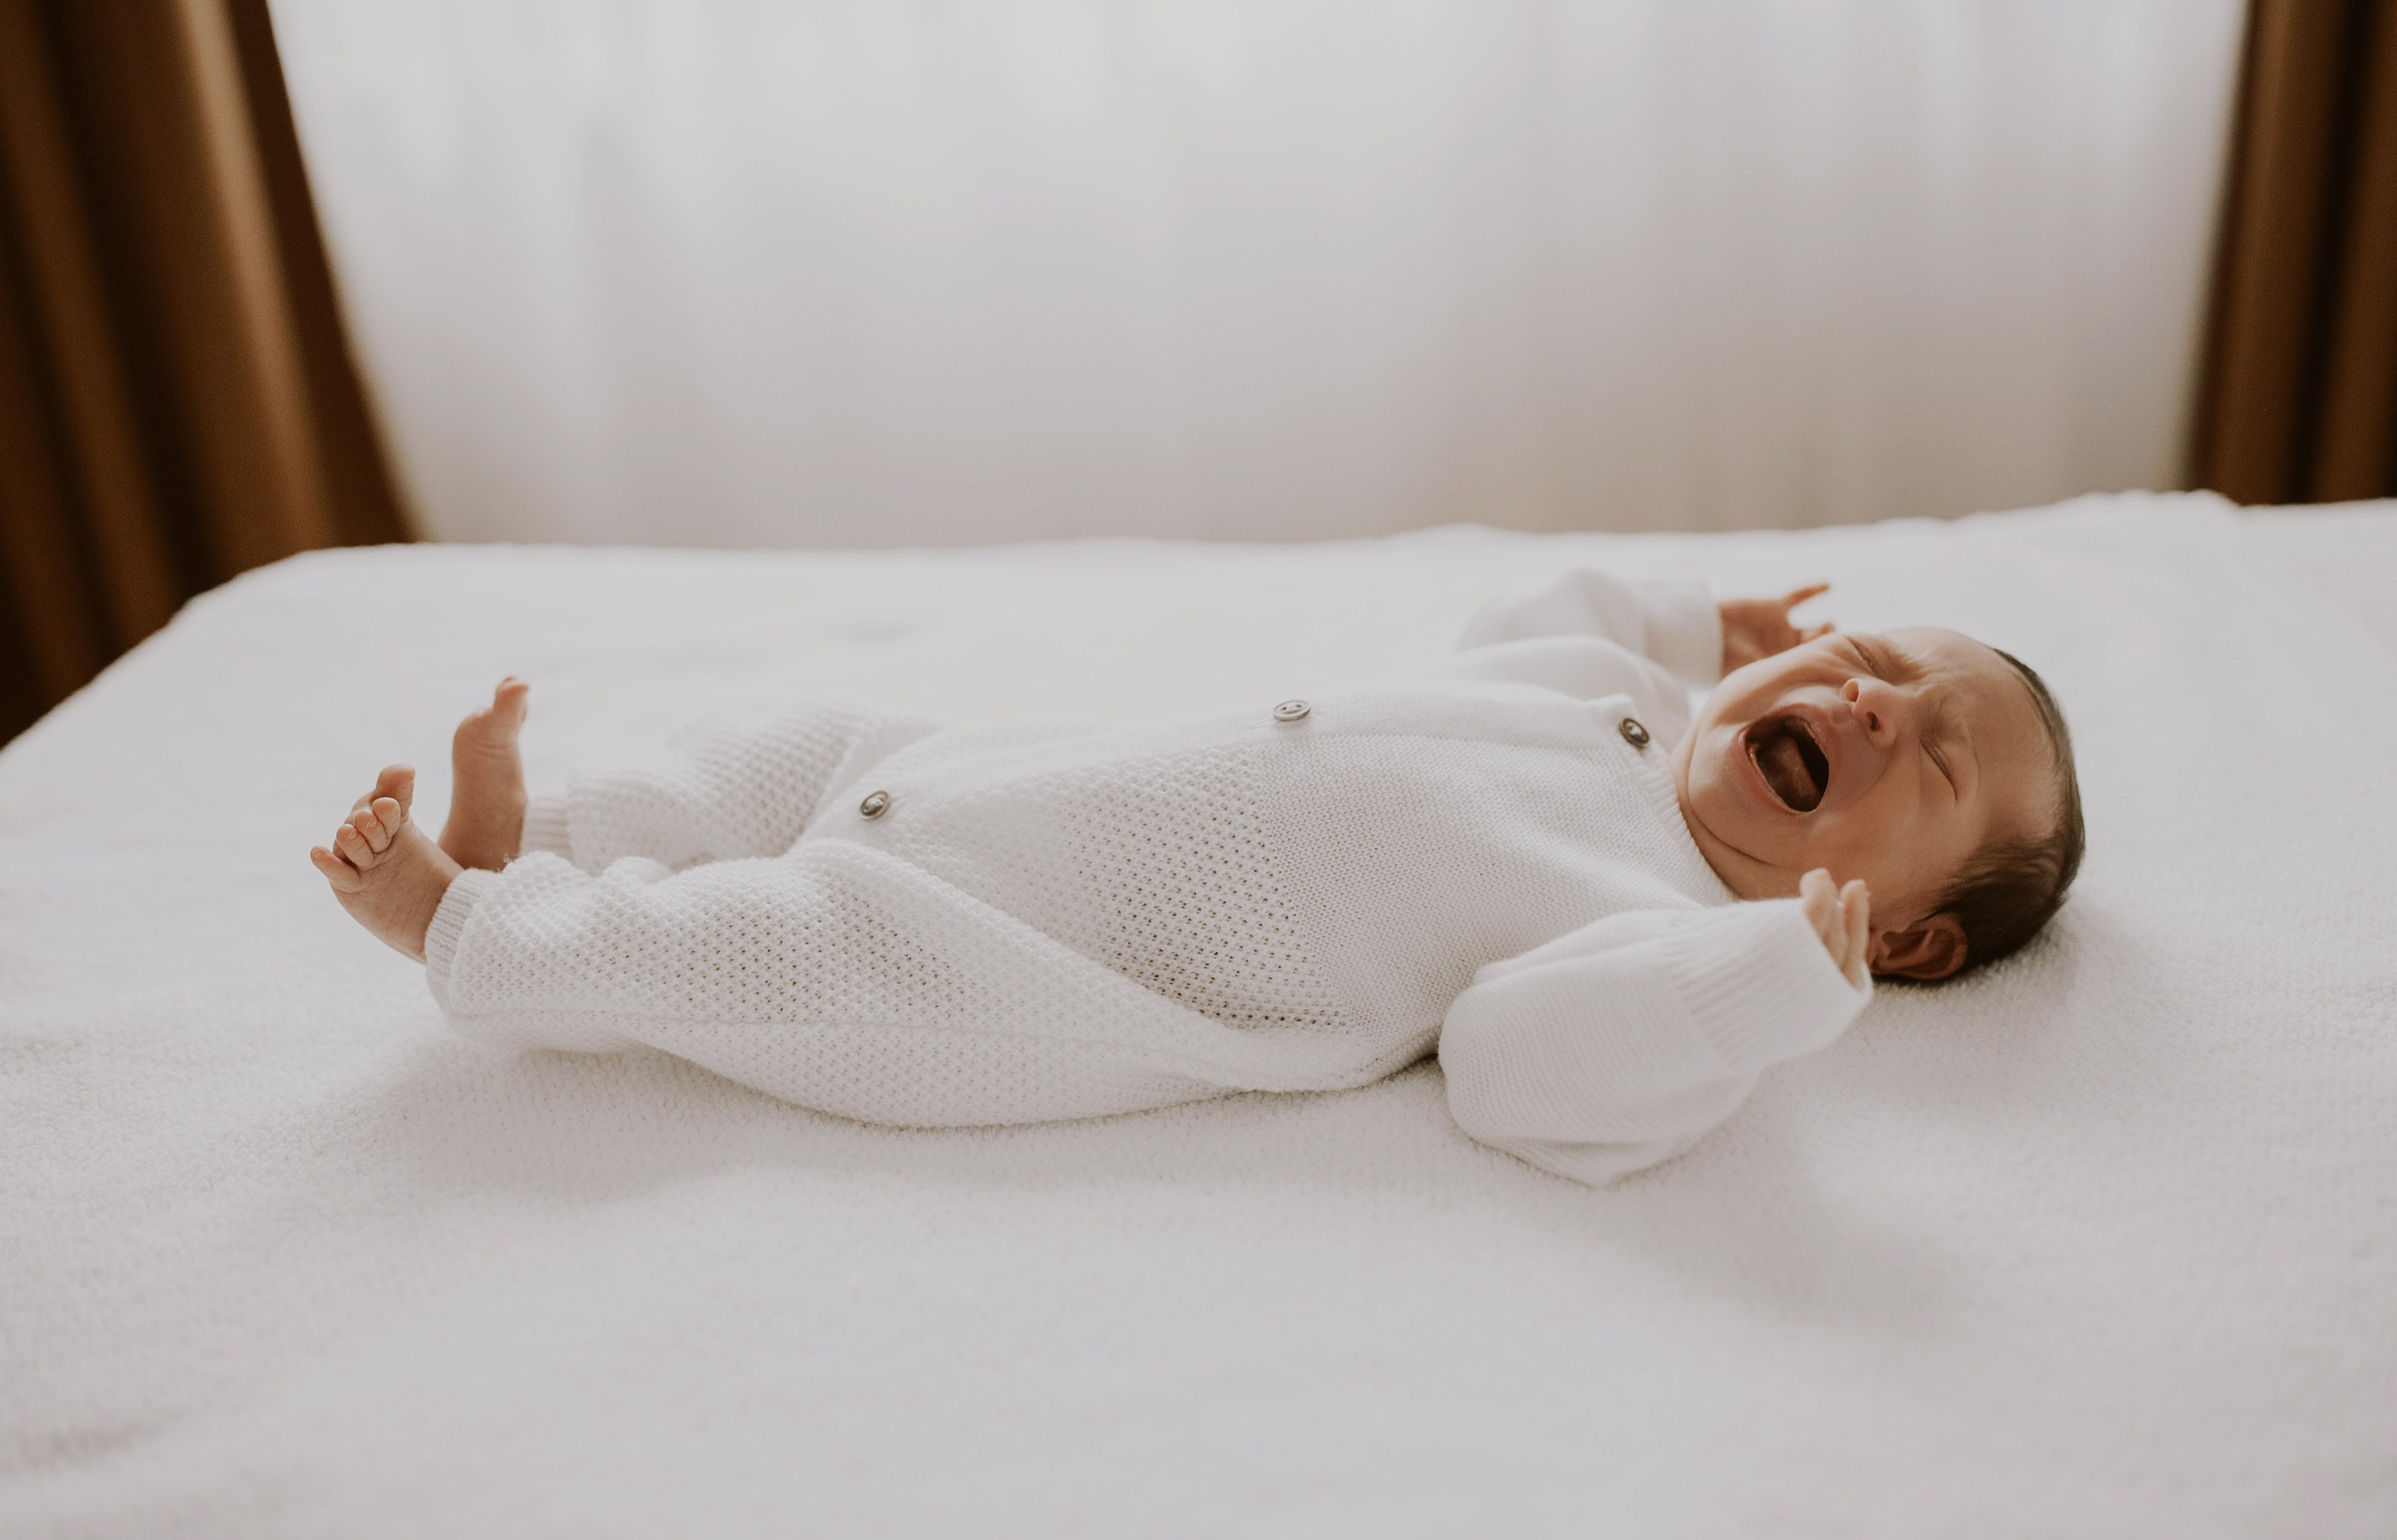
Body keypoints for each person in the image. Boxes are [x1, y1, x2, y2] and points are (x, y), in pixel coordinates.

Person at [309, 570, 2081, 1184]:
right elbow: (1517, 625)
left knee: (769, 957)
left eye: (1925, 757)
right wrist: (1691, 620)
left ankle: (473, 927)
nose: (1865, 700)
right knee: (797, 748)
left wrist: (1774, 988)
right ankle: (548, 824)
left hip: (1060, 962)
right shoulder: (1624, 704)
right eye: (1882, 663)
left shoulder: (1668, 937)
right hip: (1001, 775)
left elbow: (1527, 1076)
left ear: (1910, 929)